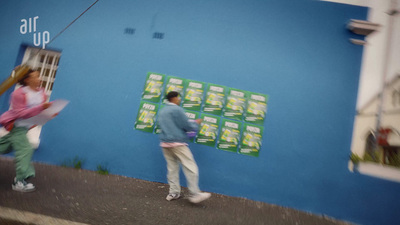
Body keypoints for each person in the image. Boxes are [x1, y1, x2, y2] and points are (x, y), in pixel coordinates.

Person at [0, 69, 52, 192]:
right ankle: (19, 182)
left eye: (39, 76)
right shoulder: (18, 94)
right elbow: (20, 113)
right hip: (17, 125)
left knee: (5, 146)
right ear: (27, 79)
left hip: (26, 127)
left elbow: (40, 110)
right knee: (26, 149)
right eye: (36, 76)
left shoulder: (41, 92)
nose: (40, 79)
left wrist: (49, 112)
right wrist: (41, 107)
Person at [157, 91, 211, 203]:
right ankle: (195, 194)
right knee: (190, 166)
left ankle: (173, 193)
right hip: (178, 143)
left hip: (165, 144)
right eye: (178, 98)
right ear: (174, 98)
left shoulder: (162, 111)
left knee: (172, 168)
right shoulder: (177, 110)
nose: (180, 100)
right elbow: (186, 125)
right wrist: (196, 123)